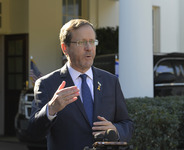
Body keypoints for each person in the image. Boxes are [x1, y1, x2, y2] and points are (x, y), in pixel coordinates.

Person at [28, 19, 133, 150]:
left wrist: (116, 130)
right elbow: (33, 134)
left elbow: (126, 124)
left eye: (92, 42)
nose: (88, 48)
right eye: (81, 42)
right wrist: (51, 109)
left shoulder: (110, 81)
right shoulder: (47, 84)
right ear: (65, 48)